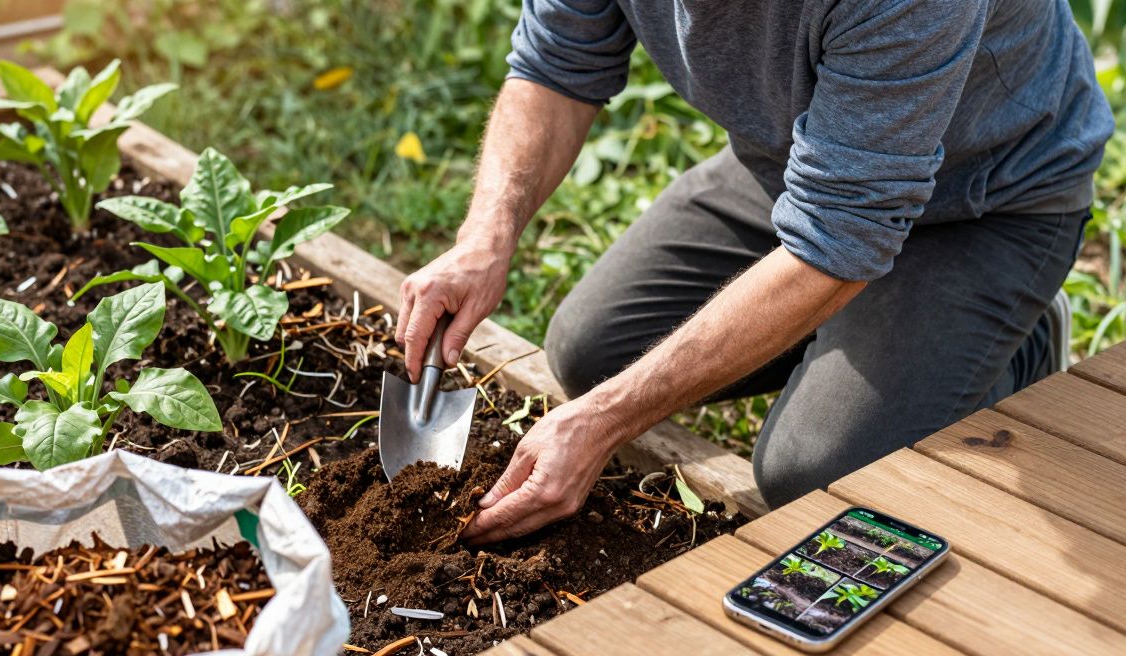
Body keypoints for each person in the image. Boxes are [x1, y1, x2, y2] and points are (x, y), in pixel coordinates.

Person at [396, 0, 1113, 544]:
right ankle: (848, 326)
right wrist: (482, 239)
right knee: (593, 351)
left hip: (989, 200)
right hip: (808, 167)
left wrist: (603, 423)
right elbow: (556, 65)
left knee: (812, 470)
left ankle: (1017, 342)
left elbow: (838, 239)